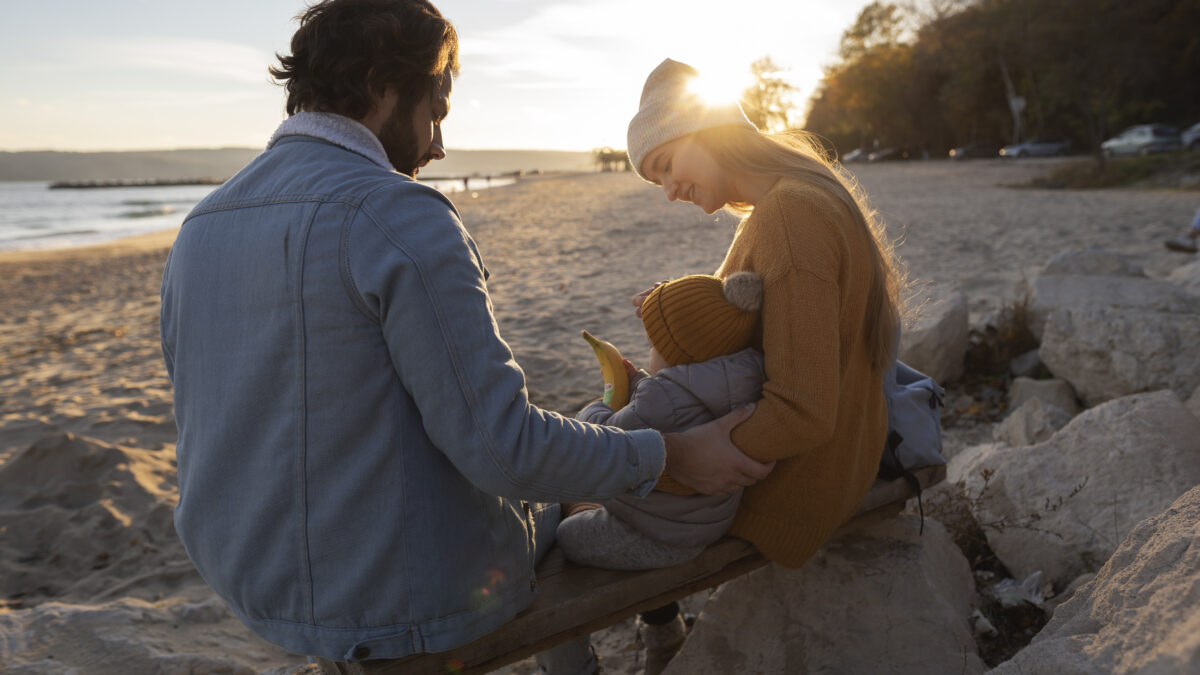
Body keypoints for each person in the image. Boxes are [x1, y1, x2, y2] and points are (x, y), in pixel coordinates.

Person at [158, 6, 773, 672]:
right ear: (379, 86)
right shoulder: (396, 213)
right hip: (403, 596)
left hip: (255, 583)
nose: (438, 144)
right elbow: (503, 450)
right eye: (437, 110)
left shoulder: (199, 226)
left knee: (568, 457)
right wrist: (675, 452)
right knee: (569, 487)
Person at [618, 57, 904, 662]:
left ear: (708, 129)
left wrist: (679, 464)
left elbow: (802, 411)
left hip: (796, 485)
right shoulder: (797, 199)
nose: (668, 192)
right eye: (656, 180)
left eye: (666, 165)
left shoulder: (791, 217)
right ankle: (662, 626)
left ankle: (656, 633)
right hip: (828, 455)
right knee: (603, 437)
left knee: (586, 489)